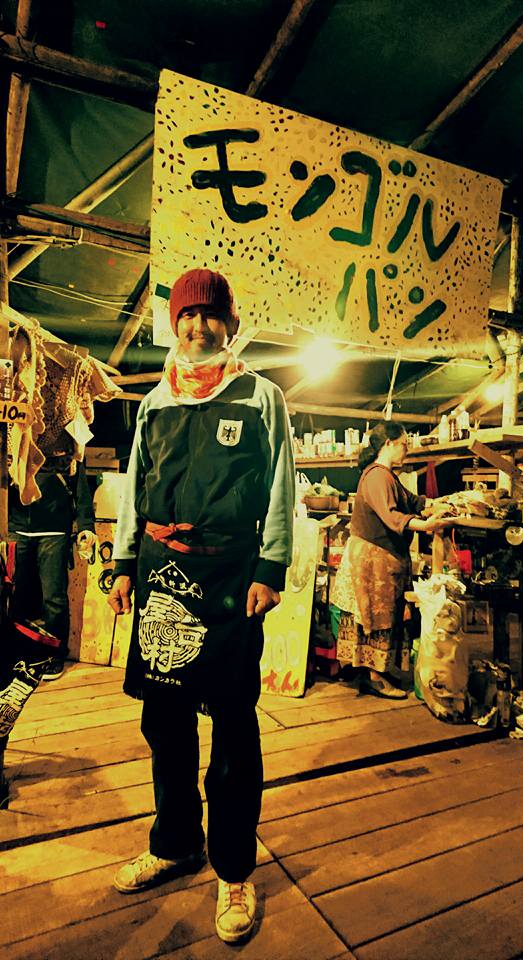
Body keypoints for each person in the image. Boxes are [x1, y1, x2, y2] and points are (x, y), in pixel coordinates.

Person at [108, 268, 294, 944]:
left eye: (209, 315)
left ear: (229, 324)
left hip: (230, 577)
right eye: (186, 316)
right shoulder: (156, 401)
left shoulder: (261, 396)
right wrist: (124, 562)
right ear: (174, 325)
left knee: (234, 728)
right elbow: (135, 485)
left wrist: (271, 566)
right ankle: (176, 841)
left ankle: (234, 868)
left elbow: (281, 484)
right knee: (165, 721)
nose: (197, 327)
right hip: (161, 577)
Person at [347, 421, 448, 698]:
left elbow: (412, 502)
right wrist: (425, 526)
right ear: (389, 443)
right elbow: (391, 516)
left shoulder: (389, 476)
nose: (407, 450)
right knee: (377, 617)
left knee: (389, 616)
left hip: (384, 557)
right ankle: (374, 677)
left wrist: (436, 505)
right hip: (373, 559)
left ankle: (381, 670)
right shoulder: (377, 476)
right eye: (404, 444)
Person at [9, 461, 96, 680]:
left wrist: (86, 525)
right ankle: (19, 653)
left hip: (54, 528)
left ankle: (53, 656)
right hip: (17, 526)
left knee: (53, 597)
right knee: (16, 595)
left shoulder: (65, 445)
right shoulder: (12, 442)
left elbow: (80, 485)